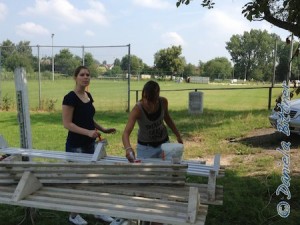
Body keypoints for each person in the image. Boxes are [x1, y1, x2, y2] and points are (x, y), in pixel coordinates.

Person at [122, 80, 183, 225]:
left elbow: (167, 118)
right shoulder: (137, 109)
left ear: (158, 96)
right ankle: (144, 217)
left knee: (164, 180)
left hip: (164, 145)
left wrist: (178, 135)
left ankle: (159, 217)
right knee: (145, 183)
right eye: (147, 100)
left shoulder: (163, 102)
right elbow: (126, 133)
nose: (150, 104)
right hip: (146, 148)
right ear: (144, 95)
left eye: (153, 100)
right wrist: (128, 149)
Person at [62, 65, 116, 225]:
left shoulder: (88, 96)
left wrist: (103, 129)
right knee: (78, 181)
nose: (85, 77)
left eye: (88, 75)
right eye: (82, 74)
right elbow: (67, 124)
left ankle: (97, 211)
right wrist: (87, 132)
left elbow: (88, 119)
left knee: (94, 178)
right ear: (75, 77)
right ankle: (73, 215)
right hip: (75, 146)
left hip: (90, 145)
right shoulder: (70, 97)